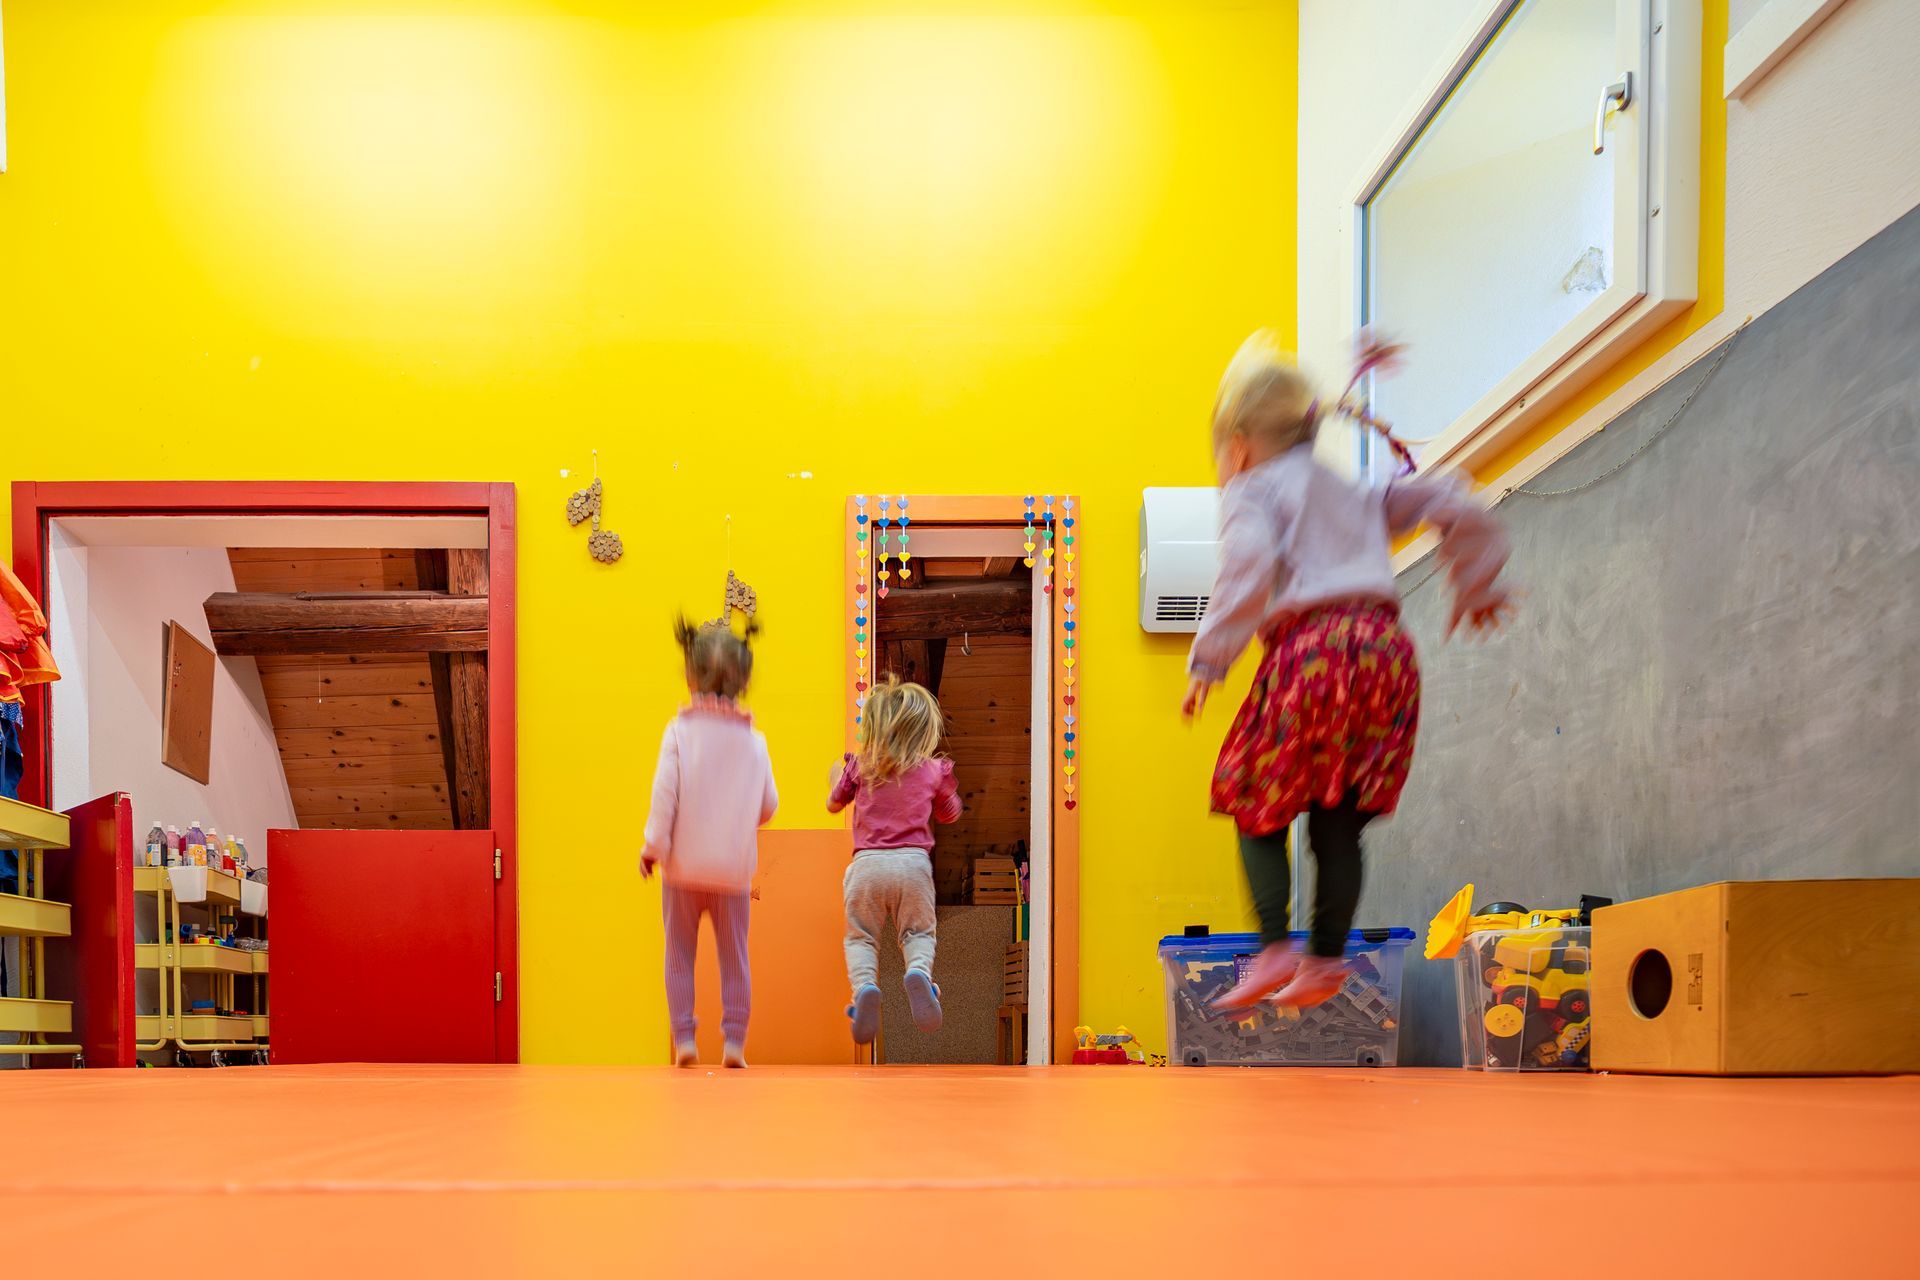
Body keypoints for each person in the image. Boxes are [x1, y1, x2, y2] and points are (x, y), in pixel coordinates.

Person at [1185, 329, 1513, 1011]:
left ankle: (1275, 946)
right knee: (1339, 819)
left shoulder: (1252, 488)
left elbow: (1244, 567)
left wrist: (1212, 656)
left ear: (1238, 445)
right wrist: (1476, 580)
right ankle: (1326, 958)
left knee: (1254, 795)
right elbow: (1448, 497)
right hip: (1385, 653)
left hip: (1314, 650)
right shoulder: (1354, 489)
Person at [641, 617, 779, 1069]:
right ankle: (735, 1043)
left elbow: (665, 796)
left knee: (679, 952)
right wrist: (739, 822)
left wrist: (653, 847)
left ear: (689, 674)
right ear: (745, 681)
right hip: (734, 872)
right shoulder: (755, 743)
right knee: (734, 956)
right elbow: (769, 805)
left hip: (683, 870)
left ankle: (684, 1038)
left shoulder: (678, 733)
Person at [828, 677, 962, 1044]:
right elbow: (950, 814)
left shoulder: (862, 767)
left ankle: (864, 991)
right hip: (913, 865)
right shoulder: (933, 771)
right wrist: (946, 794)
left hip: (867, 866)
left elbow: (834, 803)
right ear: (924, 729)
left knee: (861, 938)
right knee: (917, 933)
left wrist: (835, 781)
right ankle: (919, 975)